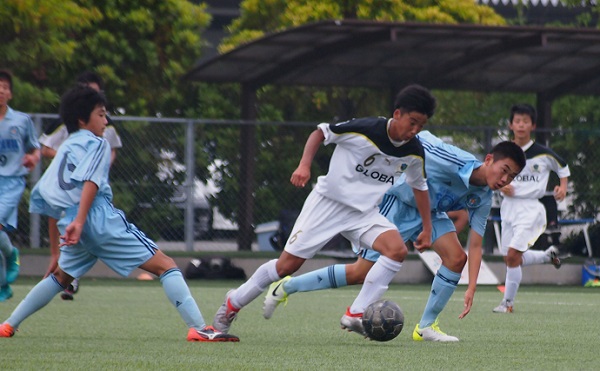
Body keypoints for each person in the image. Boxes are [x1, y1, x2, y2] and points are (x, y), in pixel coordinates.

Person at [0, 85, 238, 342]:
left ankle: (8, 325)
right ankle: (199, 328)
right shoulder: (98, 143)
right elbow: (91, 180)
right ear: (83, 119)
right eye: (101, 114)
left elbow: (46, 195)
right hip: (97, 218)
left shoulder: (67, 147)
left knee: (60, 277)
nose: (106, 120)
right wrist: (81, 221)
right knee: (166, 265)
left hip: (69, 220)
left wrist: (64, 234)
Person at [212, 84, 437, 335]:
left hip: (363, 213)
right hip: (328, 204)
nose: (415, 131)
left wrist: (427, 228)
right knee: (286, 267)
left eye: (421, 126)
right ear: (397, 114)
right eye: (412, 122)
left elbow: (420, 187)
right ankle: (233, 303)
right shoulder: (367, 129)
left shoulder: (414, 152)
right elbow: (320, 132)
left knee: (396, 250)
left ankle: (356, 314)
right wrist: (304, 166)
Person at [262, 132, 526, 342]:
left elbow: (477, 244)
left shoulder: (483, 197)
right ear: (489, 159)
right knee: (359, 273)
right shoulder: (451, 158)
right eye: (504, 170)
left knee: (457, 259)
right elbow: (420, 137)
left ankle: (426, 327)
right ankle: (287, 287)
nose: (505, 179)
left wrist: (471, 287)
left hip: (430, 214)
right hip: (397, 204)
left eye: (511, 176)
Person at [39, 71, 123, 300]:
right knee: (67, 224)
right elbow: (45, 148)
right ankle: (58, 261)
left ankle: (65, 274)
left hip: (91, 189)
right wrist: (72, 160)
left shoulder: (105, 127)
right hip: (66, 190)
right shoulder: (66, 125)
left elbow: (111, 151)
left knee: (83, 228)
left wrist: (98, 168)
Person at [493, 103, 570, 314]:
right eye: (517, 121)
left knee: (512, 256)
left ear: (532, 126)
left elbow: (563, 167)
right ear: (510, 125)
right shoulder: (503, 151)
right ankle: (547, 256)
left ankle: (507, 304)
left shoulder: (542, 153)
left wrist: (562, 187)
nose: (521, 125)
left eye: (525, 121)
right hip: (508, 208)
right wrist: (501, 183)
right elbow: (491, 171)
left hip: (530, 209)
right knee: (511, 258)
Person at [0, 69, 41, 302]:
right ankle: (3, 284)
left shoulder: (22, 121)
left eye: (5, 87)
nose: (1, 90)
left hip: (12, 182)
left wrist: (33, 158)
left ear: (11, 94)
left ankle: (11, 254)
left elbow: (35, 148)